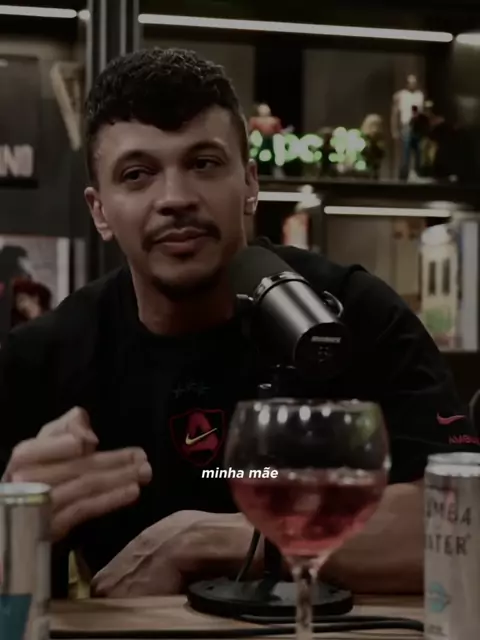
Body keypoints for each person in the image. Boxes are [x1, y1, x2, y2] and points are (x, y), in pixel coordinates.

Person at [0, 48, 478, 600]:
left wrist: (210, 540)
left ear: (250, 183)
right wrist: (12, 520)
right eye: (137, 175)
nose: (175, 198)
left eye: (204, 164)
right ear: (100, 210)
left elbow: (463, 523)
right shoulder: (46, 355)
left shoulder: (348, 312)